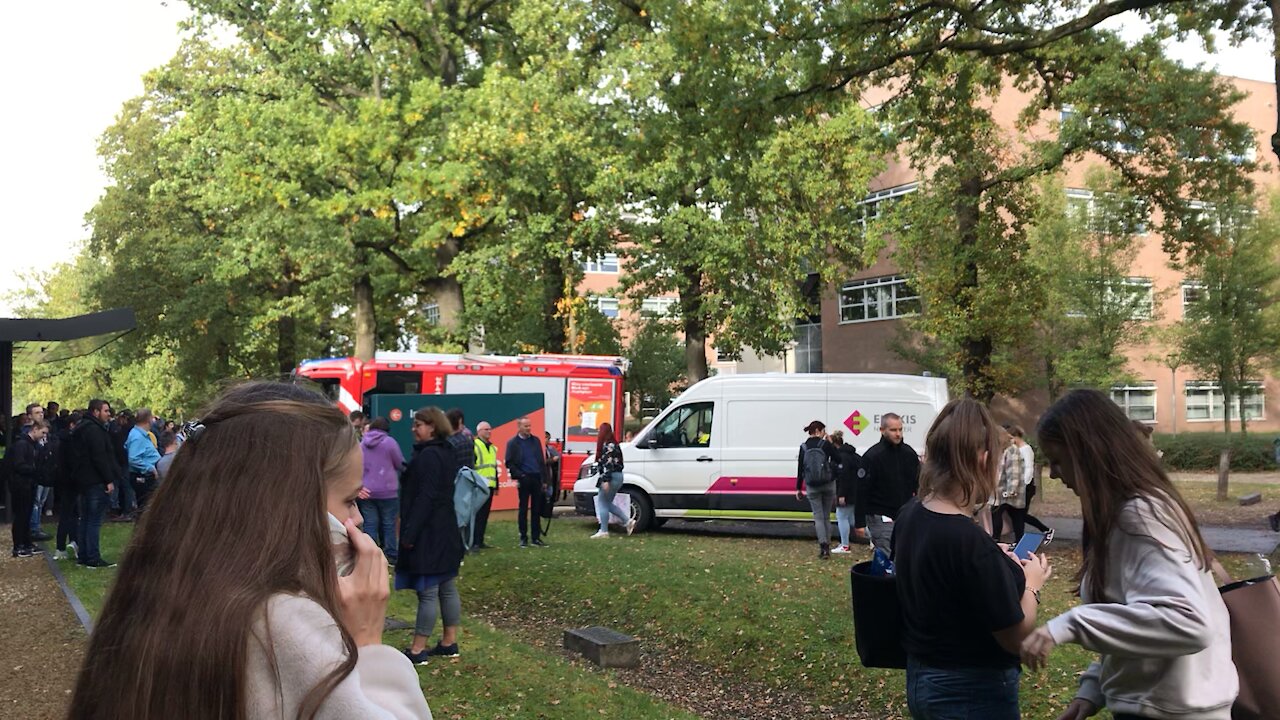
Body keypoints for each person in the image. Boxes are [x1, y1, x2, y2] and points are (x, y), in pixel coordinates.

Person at [67, 381, 432, 719]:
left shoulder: (155, 589)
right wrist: (368, 645)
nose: (358, 520)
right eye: (350, 500)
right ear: (290, 506)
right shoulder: (286, 622)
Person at [1021, 389, 1236, 720]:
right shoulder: (1129, 511)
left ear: (1089, 453)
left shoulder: (1140, 515)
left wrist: (1072, 623)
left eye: (1058, 460)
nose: (1053, 473)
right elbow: (1133, 613)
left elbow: (1189, 623)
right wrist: (1094, 688)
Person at [895, 398, 1051, 720]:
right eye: (999, 460)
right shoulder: (968, 542)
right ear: (982, 459)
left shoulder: (911, 514)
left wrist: (993, 550)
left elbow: (945, 573)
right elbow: (1015, 638)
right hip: (970, 691)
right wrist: (1032, 585)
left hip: (922, 679)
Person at [397, 407, 464, 665]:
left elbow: (425, 497)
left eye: (418, 424)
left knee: (427, 589)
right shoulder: (447, 452)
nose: (414, 429)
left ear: (432, 427)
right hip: (446, 527)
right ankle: (449, 642)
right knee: (446, 586)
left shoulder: (428, 457)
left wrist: (409, 533)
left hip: (429, 531)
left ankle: (417, 650)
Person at [855, 413, 922, 556]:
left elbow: (919, 485)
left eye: (900, 429)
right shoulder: (872, 456)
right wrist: (859, 522)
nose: (898, 434)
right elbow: (861, 491)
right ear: (882, 430)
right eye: (893, 430)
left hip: (905, 516)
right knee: (888, 556)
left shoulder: (909, 454)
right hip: (880, 516)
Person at [73, 399, 120, 568]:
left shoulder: (82, 428)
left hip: (85, 481)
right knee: (93, 521)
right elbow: (99, 457)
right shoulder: (94, 431)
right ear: (95, 412)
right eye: (106, 411)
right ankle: (92, 557)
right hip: (95, 481)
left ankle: (84, 556)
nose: (109, 414)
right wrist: (108, 479)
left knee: (86, 519)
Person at [359, 417, 405, 563]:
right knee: (389, 523)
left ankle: (370, 556)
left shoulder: (362, 444)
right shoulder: (389, 443)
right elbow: (400, 463)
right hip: (388, 491)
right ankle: (391, 554)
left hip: (367, 491)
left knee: (370, 523)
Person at [796, 420, 839, 559]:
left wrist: (798, 488)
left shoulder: (803, 447)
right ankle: (828, 545)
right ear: (818, 431)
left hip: (812, 486)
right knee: (826, 517)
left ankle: (823, 547)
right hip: (827, 484)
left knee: (818, 517)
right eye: (823, 431)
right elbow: (838, 459)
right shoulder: (825, 444)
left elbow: (800, 468)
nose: (824, 434)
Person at [505, 417, 548, 548]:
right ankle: (523, 537)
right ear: (519, 427)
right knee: (523, 509)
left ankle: (536, 538)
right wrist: (520, 475)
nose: (528, 428)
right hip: (524, 478)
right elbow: (509, 462)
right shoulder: (513, 443)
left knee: (536, 509)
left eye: (529, 426)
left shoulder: (535, 441)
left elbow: (541, 461)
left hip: (536, 478)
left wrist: (544, 480)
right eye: (525, 426)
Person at [9, 419, 48, 557]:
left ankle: (26, 542)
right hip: (21, 484)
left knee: (26, 515)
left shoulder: (32, 445)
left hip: (29, 483)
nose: (44, 436)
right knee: (21, 515)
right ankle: (19, 545)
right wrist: (35, 470)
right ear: (35, 429)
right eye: (43, 432)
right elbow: (18, 465)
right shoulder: (22, 445)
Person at [590, 423, 635, 538]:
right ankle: (627, 521)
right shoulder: (615, 444)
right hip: (618, 476)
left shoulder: (608, 446)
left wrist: (605, 480)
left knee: (602, 503)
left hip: (611, 477)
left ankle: (604, 530)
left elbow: (608, 464)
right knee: (607, 503)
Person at [1010, 424, 1054, 541]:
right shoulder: (1016, 449)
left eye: (1011, 438)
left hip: (1026, 487)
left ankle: (1044, 530)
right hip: (1020, 486)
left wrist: (1023, 485)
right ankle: (1020, 538)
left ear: (1016, 436)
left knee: (1019, 515)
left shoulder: (1026, 449)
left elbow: (1029, 468)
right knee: (1017, 514)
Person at [53, 412, 84, 560]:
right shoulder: (70, 441)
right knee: (68, 514)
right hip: (70, 481)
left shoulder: (62, 439)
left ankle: (72, 541)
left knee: (71, 513)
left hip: (65, 481)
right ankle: (62, 546)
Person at [990, 428, 1027, 542]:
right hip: (1000, 490)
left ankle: (1018, 541)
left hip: (1009, 491)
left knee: (1016, 516)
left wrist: (1011, 490)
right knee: (998, 513)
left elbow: (1014, 472)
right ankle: (996, 539)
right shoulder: (1001, 450)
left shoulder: (1012, 450)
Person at [830, 430, 861, 554]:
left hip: (846, 493)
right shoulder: (853, 455)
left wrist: (841, 494)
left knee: (841, 516)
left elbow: (843, 477)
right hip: (856, 491)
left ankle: (845, 545)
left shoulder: (840, 458)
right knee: (853, 520)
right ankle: (875, 540)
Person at [126, 408, 162, 510]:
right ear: (148, 419)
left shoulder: (140, 435)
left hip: (146, 476)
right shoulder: (137, 437)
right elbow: (133, 458)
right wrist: (150, 468)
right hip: (143, 477)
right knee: (146, 508)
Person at [471, 422, 499, 549]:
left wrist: (496, 485)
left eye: (490, 429)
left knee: (484, 515)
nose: (489, 431)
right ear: (479, 431)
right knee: (477, 515)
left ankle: (480, 540)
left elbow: (493, 467)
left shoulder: (492, 448)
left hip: (490, 485)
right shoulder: (475, 445)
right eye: (486, 429)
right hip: (479, 485)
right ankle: (474, 541)